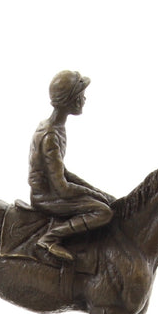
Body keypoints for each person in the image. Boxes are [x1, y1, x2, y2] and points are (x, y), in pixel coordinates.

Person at [28, 70, 114, 262]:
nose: (84, 99)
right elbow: (62, 188)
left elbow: (63, 172)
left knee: (102, 202)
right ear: (72, 100)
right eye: (81, 95)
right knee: (103, 212)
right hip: (46, 197)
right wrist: (97, 196)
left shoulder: (56, 127)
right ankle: (50, 239)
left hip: (52, 191)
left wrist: (98, 192)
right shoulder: (50, 136)